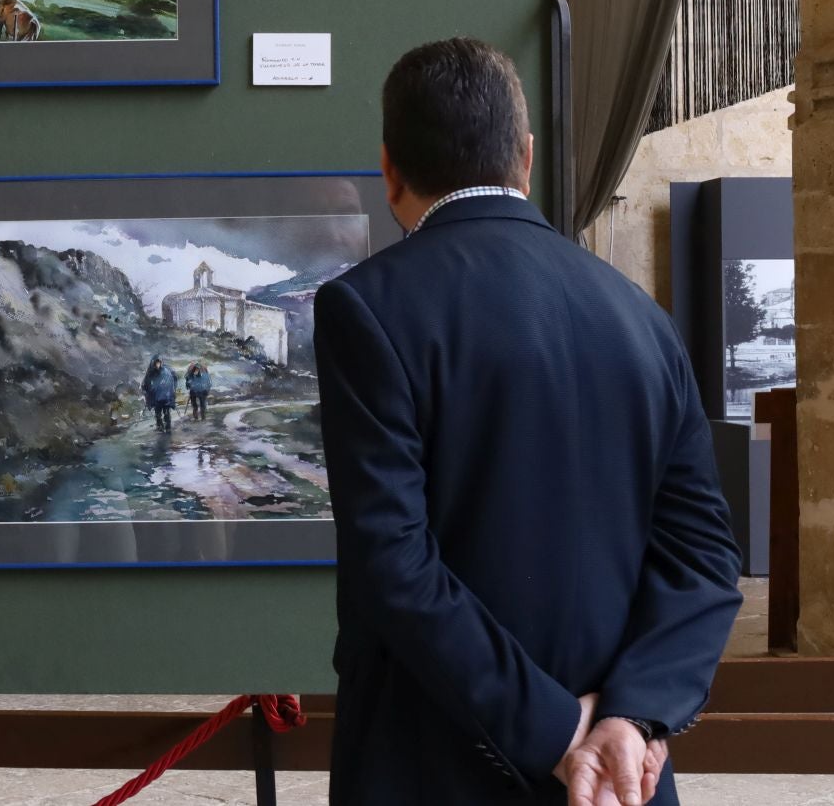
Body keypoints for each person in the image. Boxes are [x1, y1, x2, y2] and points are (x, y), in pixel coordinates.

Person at [312, 39, 742, 806]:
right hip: (619, 782)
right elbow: (705, 558)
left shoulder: (368, 310)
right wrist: (631, 719)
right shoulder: (640, 317)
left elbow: (395, 566)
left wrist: (557, 732)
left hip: (430, 765)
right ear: (527, 156)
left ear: (388, 170)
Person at [141, 355, 177, 430]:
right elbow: (145, 384)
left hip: (165, 397)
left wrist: (172, 392)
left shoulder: (166, 371)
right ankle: (160, 426)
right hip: (156, 398)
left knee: (166, 413)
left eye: (159, 363)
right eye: (156, 363)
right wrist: (147, 392)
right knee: (157, 414)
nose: (158, 365)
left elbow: (172, 380)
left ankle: (168, 427)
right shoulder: (150, 373)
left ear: (160, 363)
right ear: (153, 363)